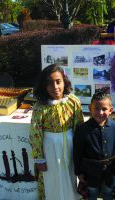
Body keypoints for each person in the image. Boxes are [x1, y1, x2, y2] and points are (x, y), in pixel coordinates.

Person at [29, 64, 84, 200]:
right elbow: (35, 133)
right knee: (52, 177)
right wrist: (39, 158)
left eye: (58, 82)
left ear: (64, 82)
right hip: (50, 149)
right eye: (49, 83)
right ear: (44, 86)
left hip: (71, 146)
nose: (55, 87)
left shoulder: (73, 102)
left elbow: (80, 127)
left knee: (70, 174)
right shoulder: (40, 107)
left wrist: (82, 152)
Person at [73, 91, 115, 200]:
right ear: (90, 108)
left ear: (110, 110)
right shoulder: (82, 130)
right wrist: (79, 172)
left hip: (111, 171)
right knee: (92, 193)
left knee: (109, 192)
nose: (100, 112)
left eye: (104, 109)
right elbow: (77, 153)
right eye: (96, 109)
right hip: (91, 171)